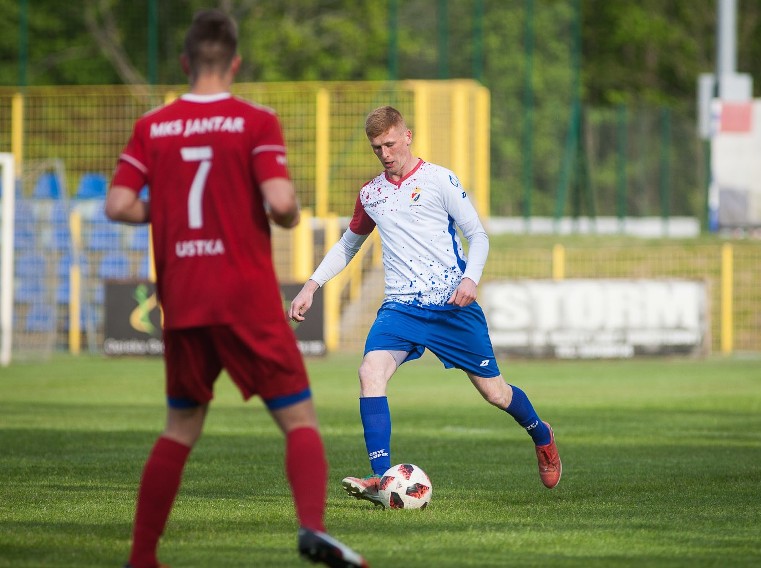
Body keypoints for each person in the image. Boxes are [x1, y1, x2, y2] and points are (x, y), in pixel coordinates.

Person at [105, 9, 367, 568]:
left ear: (185, 62)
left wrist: (168, 208)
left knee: (180, 426)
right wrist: (292, 216)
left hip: (183, 300)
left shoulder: (153, 126)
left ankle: (142, 558)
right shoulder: (254, 121)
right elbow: (279, 202)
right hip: (244, 298)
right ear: (235, 63)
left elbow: (118, 205)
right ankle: (312, 528)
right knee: (298, 420)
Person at [287, 106, 562, 506]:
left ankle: (542, 435)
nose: (384, 152)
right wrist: (312, 285)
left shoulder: (440, 180)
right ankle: (382, 477)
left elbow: (477, 234)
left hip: (451, 305)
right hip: (401, 308)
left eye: (390, 143)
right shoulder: (371, 194)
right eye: (376, 147)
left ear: (408, 135)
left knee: (496, 393)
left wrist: (471, 278)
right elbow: (350, 243)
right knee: (369, 372)